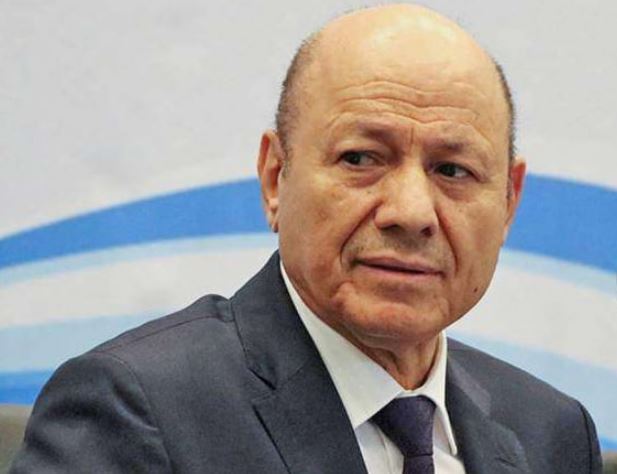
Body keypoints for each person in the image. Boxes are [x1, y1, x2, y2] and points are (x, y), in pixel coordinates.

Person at [11, 4, 602, 473]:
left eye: (452, 170)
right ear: (276, 177)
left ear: (509, 202)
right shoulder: (136, 410)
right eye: (361, 158)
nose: (410, 212)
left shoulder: (550, 433)